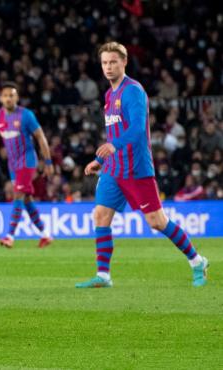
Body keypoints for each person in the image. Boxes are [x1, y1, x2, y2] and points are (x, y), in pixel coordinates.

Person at [76, 42, 208, 288]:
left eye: (113, 61)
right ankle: (103, 275)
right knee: (101, 215)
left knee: (157, 222)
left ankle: (197, 261)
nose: (108, 66)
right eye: (104, 62)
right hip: (113, 169)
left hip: (136, 168)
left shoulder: (133, 91)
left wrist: (114, 147)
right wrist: (100, 159)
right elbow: (114, 133)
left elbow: (137, 128)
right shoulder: (108, 95)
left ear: (124, 62)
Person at [0, 82, 54, 248]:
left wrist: (48, 161)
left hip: (27, 160)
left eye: (12, 95)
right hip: (12, 163)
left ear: (16, 97)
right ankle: (45, 234)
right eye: (5, 95)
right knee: (26, 198)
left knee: (18, 194)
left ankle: (10, 235)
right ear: (1, 98)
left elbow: (41, 137)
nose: (8, 98)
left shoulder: (26, 115)